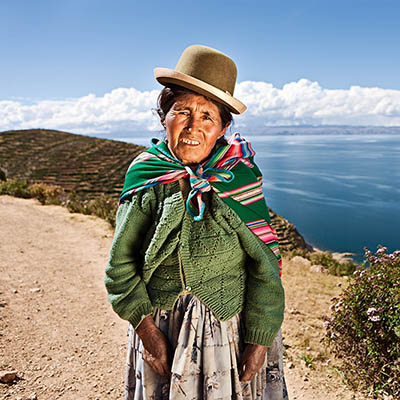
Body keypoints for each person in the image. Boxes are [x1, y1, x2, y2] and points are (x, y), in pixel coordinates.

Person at [105, 44, 288, 399]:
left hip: (228, 331)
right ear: (164, 118)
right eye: (182, 112)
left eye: (207, 116)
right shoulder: (147, 176)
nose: (193, 126)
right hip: (160, 327)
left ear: (222, 128)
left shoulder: (239, 179)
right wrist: (147, 330)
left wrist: (260, 339)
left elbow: (266, 267)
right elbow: (120, 264)